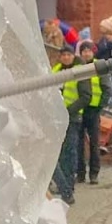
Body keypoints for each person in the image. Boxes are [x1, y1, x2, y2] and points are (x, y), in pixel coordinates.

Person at [49, 45, 87, 205]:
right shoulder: (56, 71)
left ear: (73, 56)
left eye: (68, 55)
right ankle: (64, 186)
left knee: (70, 153)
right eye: (63, 55)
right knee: (59, 154)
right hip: (56, 120)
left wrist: (68, 111)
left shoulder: (80, 72)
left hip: (72, 118)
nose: (65, 57)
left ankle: (68, 188)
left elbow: (85, 97)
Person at [74, 40, 106, 185]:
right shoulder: (78, 67)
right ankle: (80, 173)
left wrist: (100, 106)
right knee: (79, 144)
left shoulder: (99, 66)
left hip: (93, 110)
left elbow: (107, 89)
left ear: (92, 52)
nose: (86, 53)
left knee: (94, 143)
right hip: (80, 109)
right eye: (83, 51)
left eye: (88, 51)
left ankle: (94, 173)